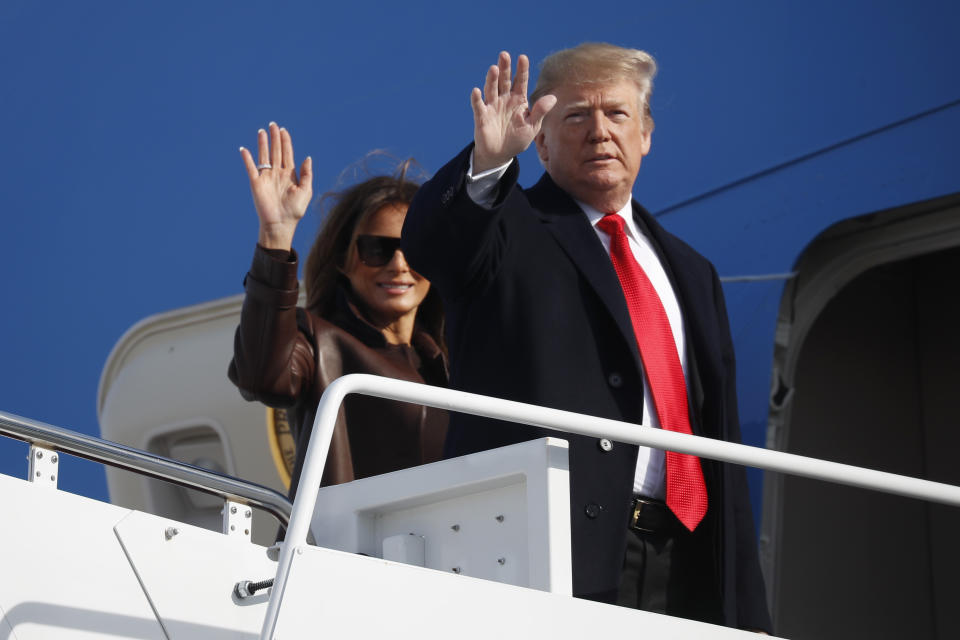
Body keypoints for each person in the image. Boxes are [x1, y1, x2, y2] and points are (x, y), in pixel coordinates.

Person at [401, 44, 771, 632]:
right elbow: (432, 244)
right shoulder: (506, 228)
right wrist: (487, 164)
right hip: (556, 551)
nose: (599, 131)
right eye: (576, 116)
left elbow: (712, 426)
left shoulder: (689, 269)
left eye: (617, 115)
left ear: (645, 134)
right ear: (541, 141)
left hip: (687, 555)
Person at [229, 122, 448, 498]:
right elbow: (263, 376)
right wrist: (276, 236)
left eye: (415, 249)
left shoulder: (450, 361)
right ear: (344, 261)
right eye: (378, 249)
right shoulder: (317, 341)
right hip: (345, 552)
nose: (398, 264)